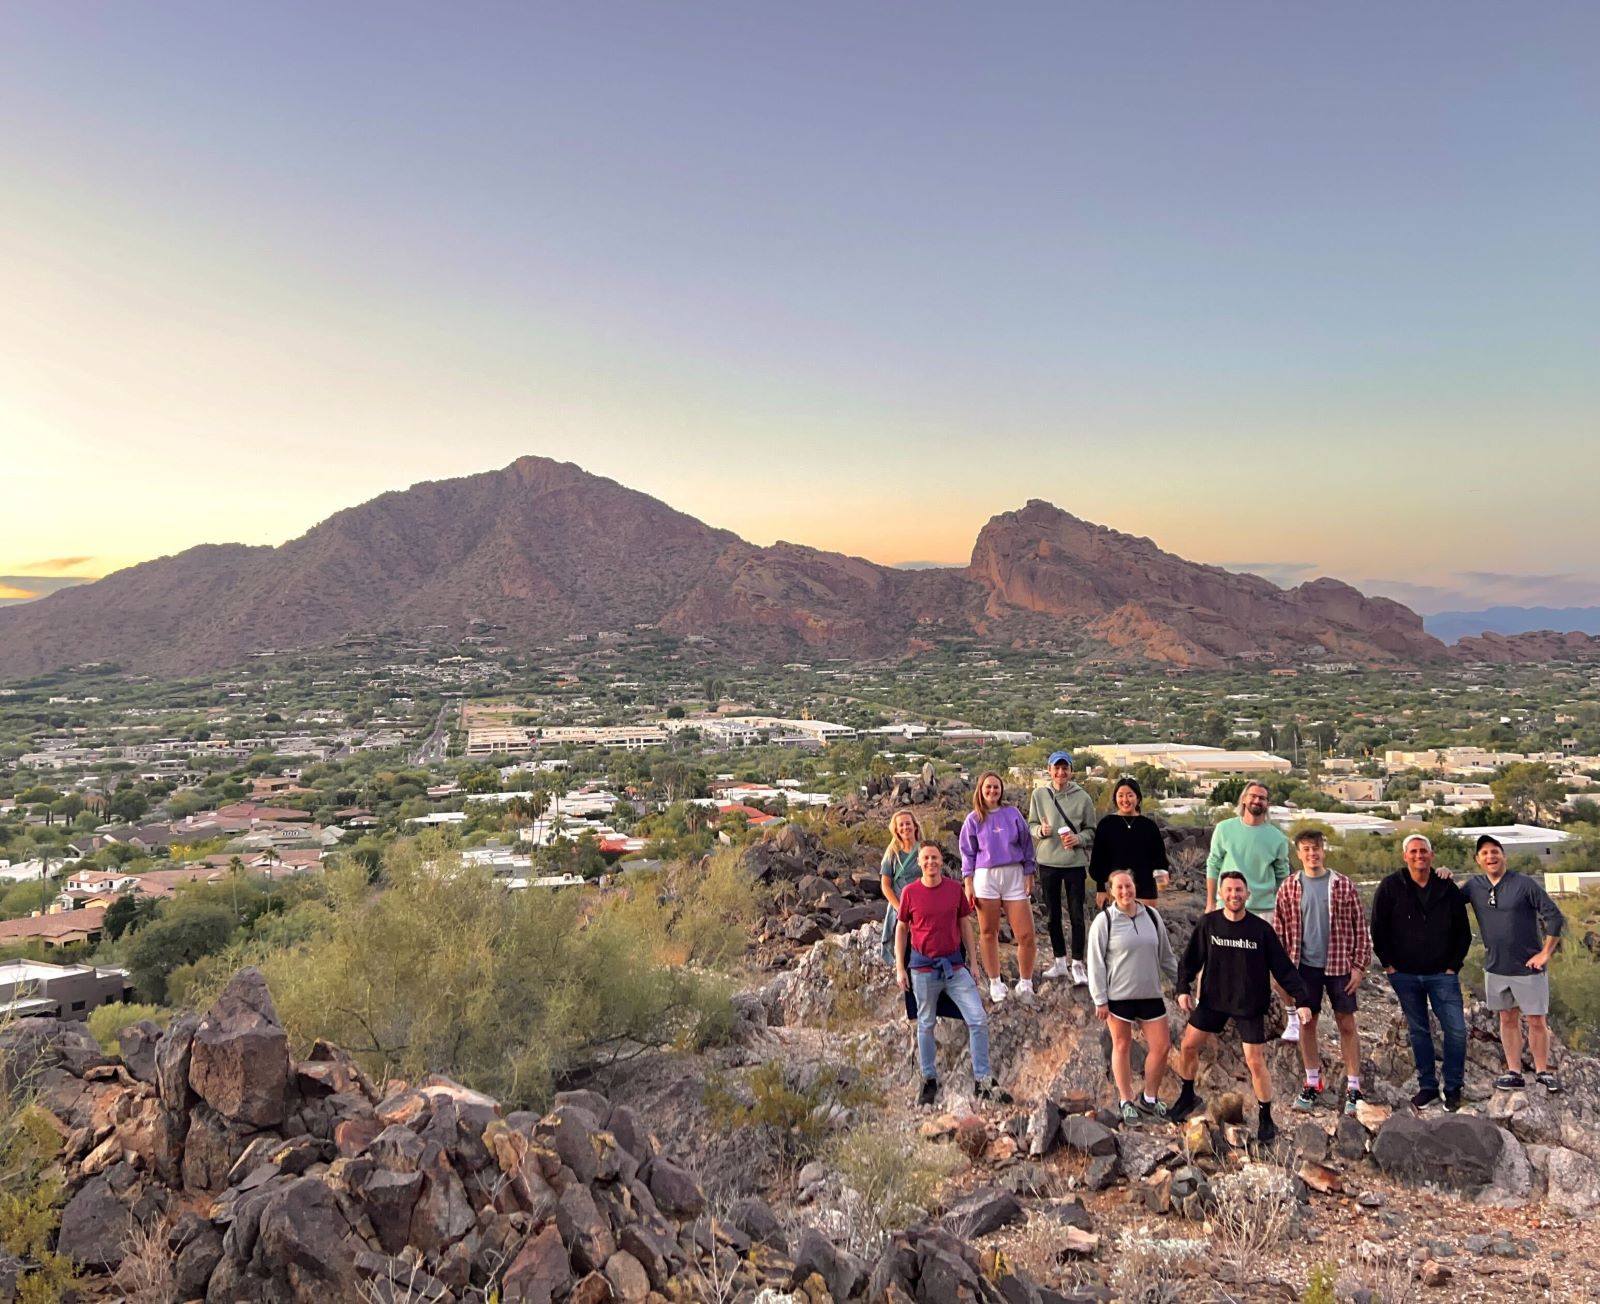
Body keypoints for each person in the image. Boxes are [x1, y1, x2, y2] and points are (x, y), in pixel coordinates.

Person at [1172, 869, 1313, 1145]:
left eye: (1239, 890)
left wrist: (1303, 1000)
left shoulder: (1261, 930)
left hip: (1249, 1003)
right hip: (1213, 999)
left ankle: (1266, 1117)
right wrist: (1182, 988)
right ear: (1221, 894)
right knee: (1188, 1046)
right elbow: (1189, 960)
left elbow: (1283, 968)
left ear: (1247, 894)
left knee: (1254, 1060)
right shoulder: (1209, 924)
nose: (1234, 895)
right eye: (1229, 890)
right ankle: (1187, 1096)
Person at [895, 842, 1013, 1106]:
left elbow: (965, 925)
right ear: (919, 862)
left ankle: (982, 1080)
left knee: (978, 1019)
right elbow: (902, 928)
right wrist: (900, 968)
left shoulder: (954, 889)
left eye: (935, 857)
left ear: (941, 861)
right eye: (926, 858)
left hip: (954, 967)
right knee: (926, 1023)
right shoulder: (910, 892)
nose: (931, 862)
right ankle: (929, 1079)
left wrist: (973, 963)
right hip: (923, 969)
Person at [1272, 829, 1372, 1115]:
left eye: (1316, 848)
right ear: (1298, 854)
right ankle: (1312, 1081)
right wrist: (1284, 972)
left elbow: (1360, 927)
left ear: (1323, 851)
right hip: (1304, 967)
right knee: (1307, 1023)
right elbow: (1279, 932)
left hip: (1340, 965)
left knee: (1346, 1024)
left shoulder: (1342, 884)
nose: (1312, 854)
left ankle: (1354, 1086)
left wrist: (1359, 967)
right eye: (1306, 849)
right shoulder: (1289, 887)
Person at [1370, 833, 1471, 1111]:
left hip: (1442, 975)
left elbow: (1463, 931)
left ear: (1432, 855)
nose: (1419, 855)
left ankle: (1453, 1087)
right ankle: (1428, 1087)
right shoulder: (1391, 886)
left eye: (1423, 851)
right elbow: (1378, 928)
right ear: (1405, 856)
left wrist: (1453, 966)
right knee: (1419, 1032)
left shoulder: (1446, 886)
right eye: (1413, 851)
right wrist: (1388, 965)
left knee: (1456, 1031)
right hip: (1405, 975)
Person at [1460, 833, 1566, 1093]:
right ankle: (1514, 1072)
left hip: (1528, 968)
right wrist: (1441, 875)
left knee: (1536, 1020)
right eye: (1485, 853)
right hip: (1496, 967)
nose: (1490, 857)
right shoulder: (1474, 886)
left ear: (1503, 856)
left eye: (1495, 851)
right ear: (1478, 859)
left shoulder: (1524, 884)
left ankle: (1542, 1072)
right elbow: (1445, 900)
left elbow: (1554, 916)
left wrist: (1545, 953)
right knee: (1507, 1019)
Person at [1087, 868, 1178, 1125]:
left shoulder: (1152, 916)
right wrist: (1100, 999)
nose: (1125, 891)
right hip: (1119, 997)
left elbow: (1166, 956)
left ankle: (1149, 1098)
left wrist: (1182, 984)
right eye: (1119, 887)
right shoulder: (1104, 921)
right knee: (1122, 1045)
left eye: (1129, 886)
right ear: (1111, 891)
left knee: (1161, 1046)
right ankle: (1126, 1101)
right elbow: (1095, 962)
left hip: (1150, 993)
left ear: (1135, 886)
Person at [959, 771, 1038, 1004]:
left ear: (1001, 790)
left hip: (1014, 875)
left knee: (1026, 934)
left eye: (996, 787)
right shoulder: (973, 819)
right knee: (988, 932)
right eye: (988, 787)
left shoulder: (1012, 814)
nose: (992, 791)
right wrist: (968, 883)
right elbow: (967, 853)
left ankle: (1025, 982)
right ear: (980, 790)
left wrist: (1029, 872)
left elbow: (1027, 844)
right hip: (986, 878)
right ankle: (995, 982)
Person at [1028, 750, 1098, 986]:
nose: (1060, 772)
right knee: (1053, 915)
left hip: (1074, 863)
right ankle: (1059, 962)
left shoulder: (1083, 798)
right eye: (1056, 768)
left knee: (1077, 915)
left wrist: (1079, 839)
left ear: (1071, 770)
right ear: (1049, 770)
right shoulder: (1039, 795)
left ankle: (1077, 963)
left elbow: (1091, 830)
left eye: (1064, 768)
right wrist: (1040, 831)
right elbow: (1031, 824)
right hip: (1048, 862)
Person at [1205, 781, 1291, 918]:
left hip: (1264, 912)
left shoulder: (1278, 838)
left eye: (1262, 798)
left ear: (1267, 804)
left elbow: (1282, 876)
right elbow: (1213, 865)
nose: (1257, 801)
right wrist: (1210, 903)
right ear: (1244, 799)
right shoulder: (1224, 829)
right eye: (1253, 796)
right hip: (1227, 907)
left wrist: (1283, 909)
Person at [1090, 775, 1168, 909]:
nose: (1125, 800)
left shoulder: (1149, 826)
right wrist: (1100, 889)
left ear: (1138, 798)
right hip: (1117, 890)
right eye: (1121, 795)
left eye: (1130, 795)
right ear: (1115, 798)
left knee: (1144, 922)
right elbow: (1099, 860)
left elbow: (1159, 858)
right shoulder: (1106, 824)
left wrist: (1162, 876)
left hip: (1145, 889)